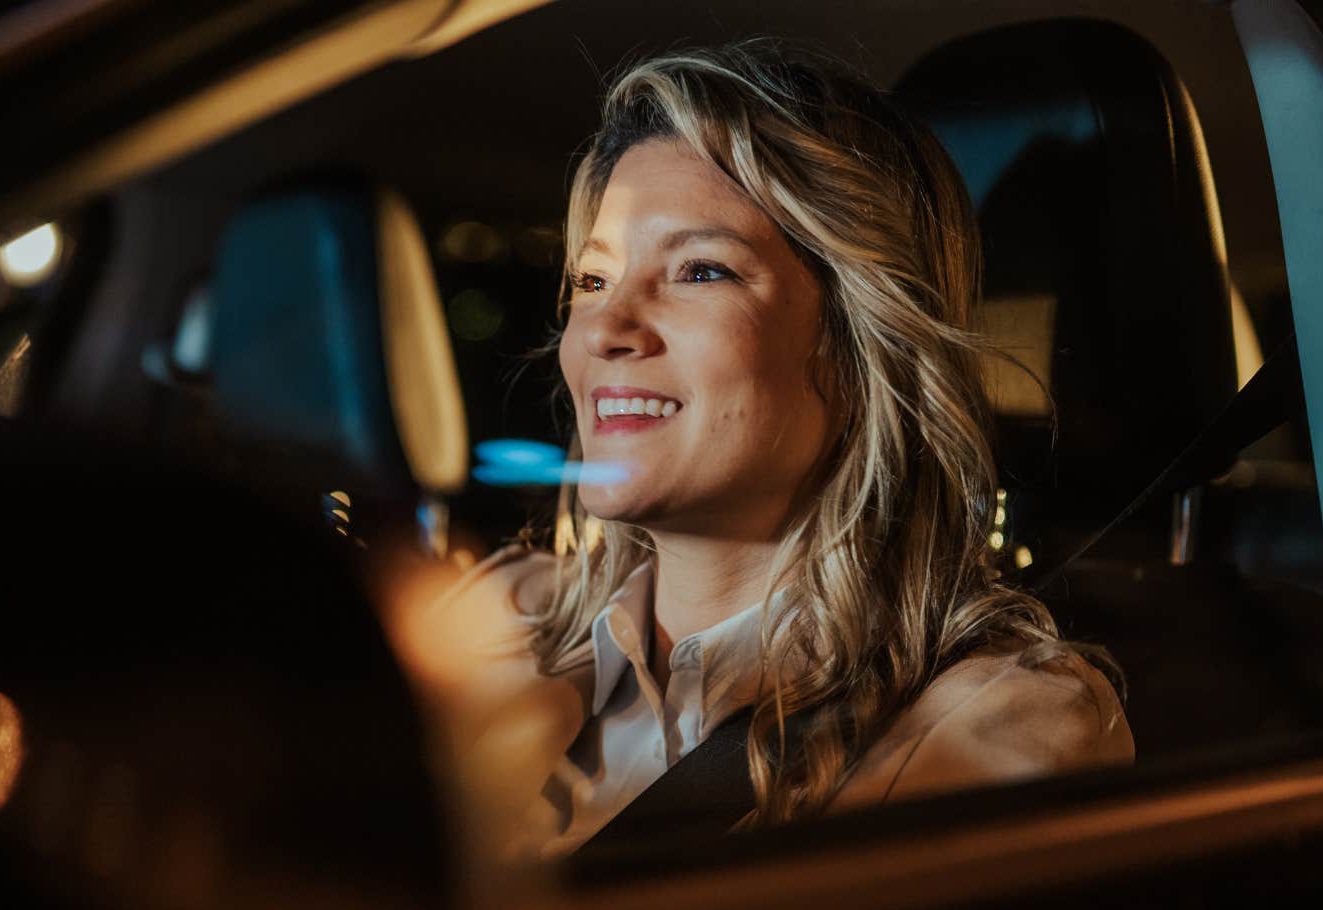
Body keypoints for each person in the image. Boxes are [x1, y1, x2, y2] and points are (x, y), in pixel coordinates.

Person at [434, 40, 1132, 859]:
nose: (606, 330)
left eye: (699, 271)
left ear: (859, 340)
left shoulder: (992, 727)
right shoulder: (488, 615)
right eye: (592, 281)